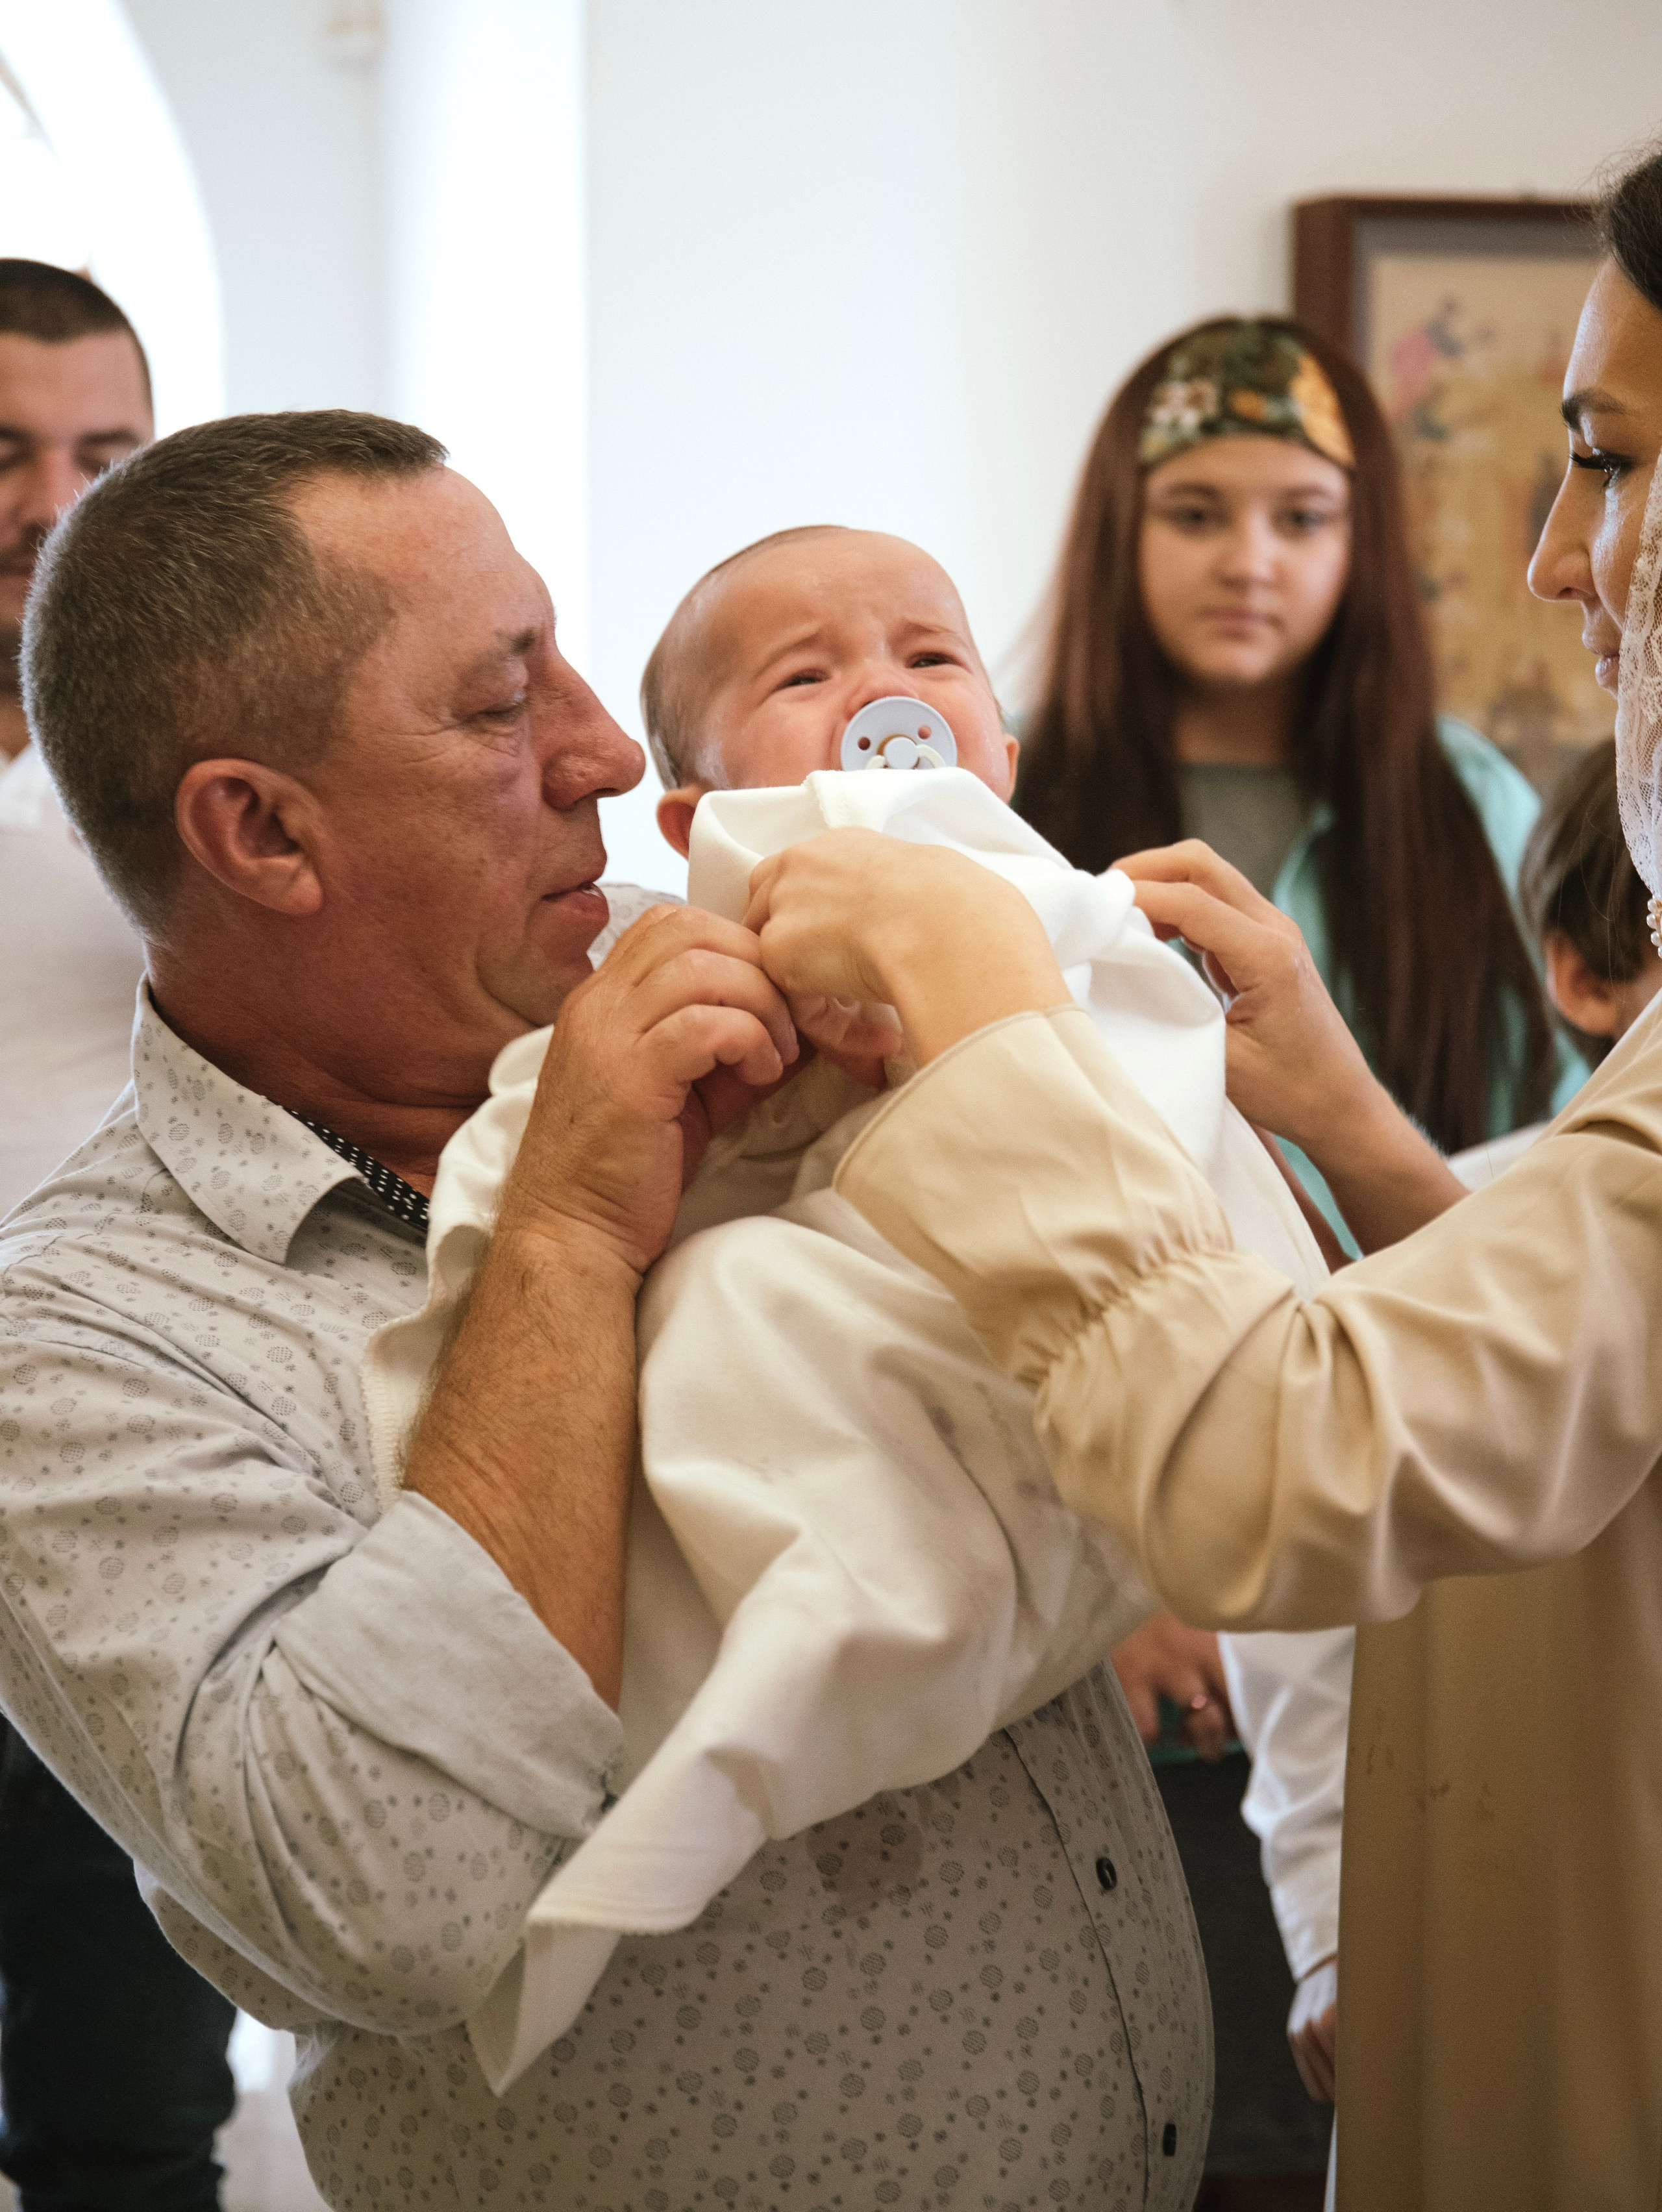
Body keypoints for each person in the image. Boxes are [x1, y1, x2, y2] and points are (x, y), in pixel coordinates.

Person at [0, 412, 1210, 2211]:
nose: (606, 747)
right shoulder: (86, 1347)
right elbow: (385, 1895)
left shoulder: (736, 959)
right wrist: (562, 1232)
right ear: (259, 830)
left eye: (562, 656)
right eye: (500, 708)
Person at [738, 138, 1662, 2207]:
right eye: (803, 674)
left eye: (1607, 460)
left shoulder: (1454, 814)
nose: (1555, 565)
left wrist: (985, 1033)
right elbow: (1575, 1327)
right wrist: (1353, 1120)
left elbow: (1309, 1455)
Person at [371, 521, 1328, 2117]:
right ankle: (724, 1714)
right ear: (693, 815)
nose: (883, 687)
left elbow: (1202, 1182)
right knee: (741, 1311)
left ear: (1001, 755)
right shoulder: (670, 974)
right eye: (805, 673)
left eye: (930, 656)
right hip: (833, 1386)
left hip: (1091, 1378)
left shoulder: (1083, 932)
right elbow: (539, 1200)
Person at [1016, 309, 1591, 2193]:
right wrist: (1125, 1576)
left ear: (1364, 545)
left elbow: (1515, 1193)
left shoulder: (1469, 808)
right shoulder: (1015, 815)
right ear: (1122, 531)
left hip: (1396, 1547)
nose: (1249, 558)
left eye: (1299, 514)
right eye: (1195, 511)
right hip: (1094, 1606)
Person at [0, 260, 237, 2212]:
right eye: (0, 452)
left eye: (103, 455)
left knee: (134, 2131)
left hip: (130, 1503)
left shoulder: (202, 780)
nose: (47, 503)